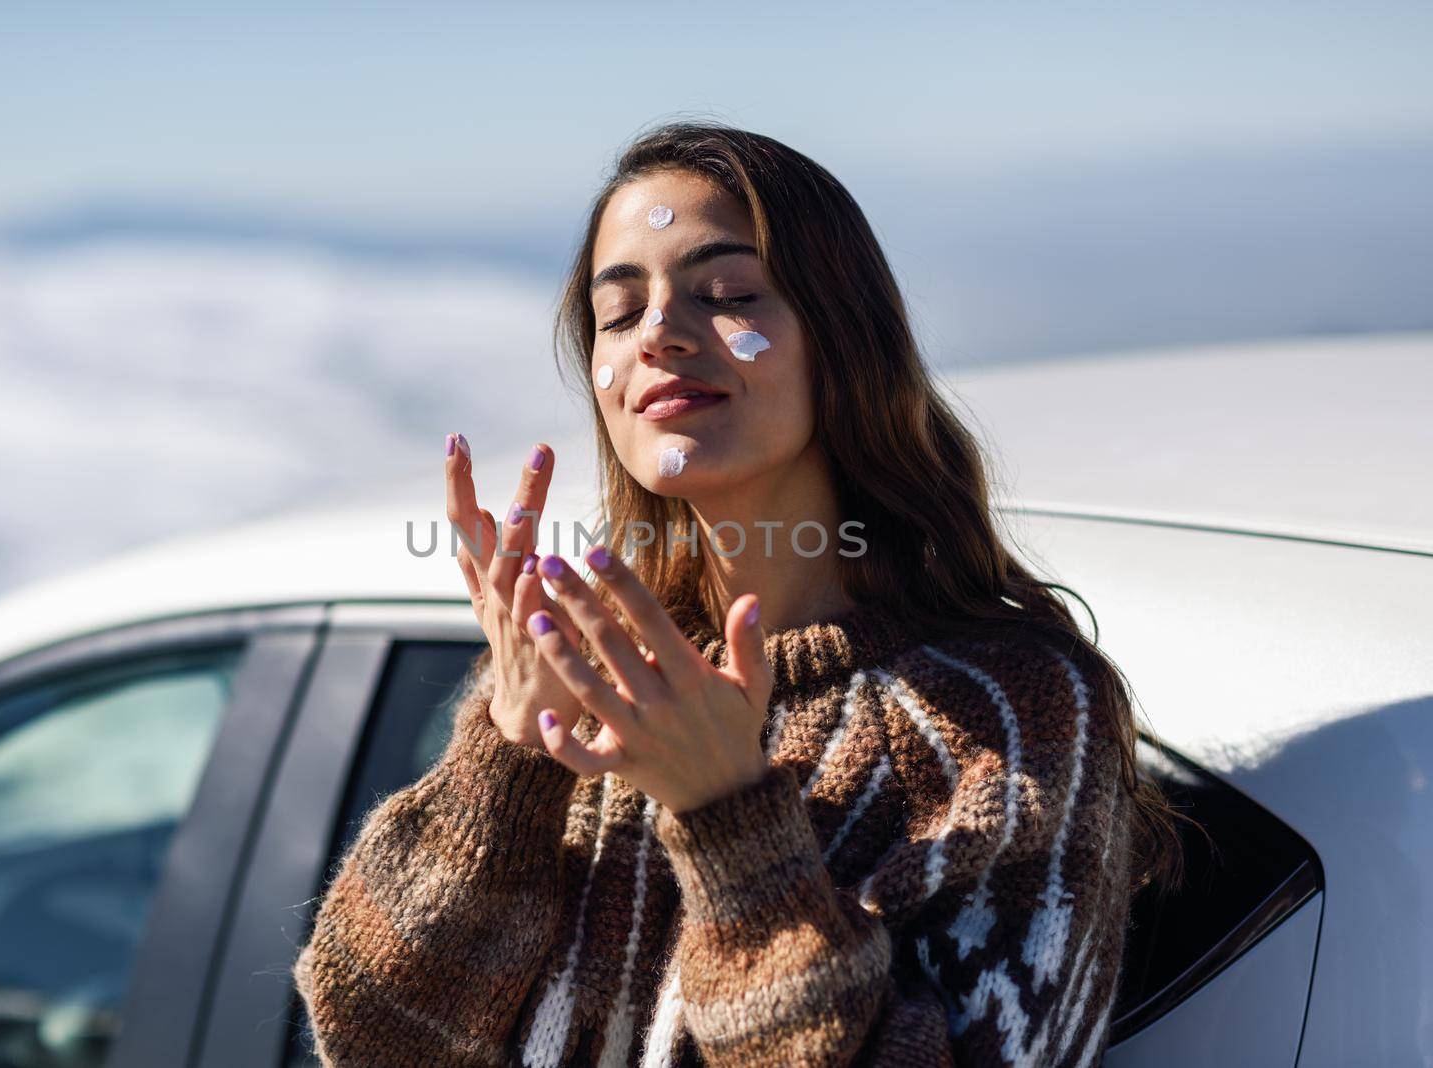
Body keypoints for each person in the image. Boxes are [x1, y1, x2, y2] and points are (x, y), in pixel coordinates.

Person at [291, 121, 1183, 1067]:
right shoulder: (592, 684)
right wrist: (507, 759)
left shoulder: (1009, 716)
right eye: (620, 313)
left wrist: (728, 817)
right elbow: (375, 1039)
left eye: (725, 295)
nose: (661, 335)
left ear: (845, 341)